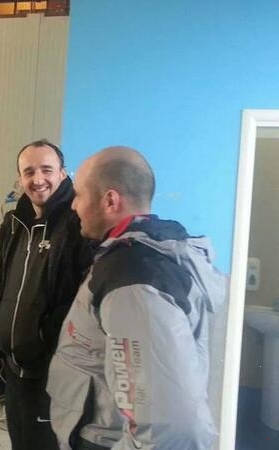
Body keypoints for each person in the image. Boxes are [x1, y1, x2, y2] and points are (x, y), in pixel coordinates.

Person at [47, 146, 226, 450]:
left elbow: (173, 429)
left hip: (104, 440)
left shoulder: (133, 278)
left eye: (78, 195)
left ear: (110, 200)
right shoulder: (142, 254)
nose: (73, 206)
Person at [0, 139, 94, 450]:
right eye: (29, 172)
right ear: (19, 178)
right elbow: (5, 282)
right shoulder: (13, 224)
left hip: (54, 373)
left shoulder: (78, 225)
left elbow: (84, 298)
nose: (38, 179)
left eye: (47, 170)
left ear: (63, 173)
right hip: (15, 369)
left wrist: (43, 337)